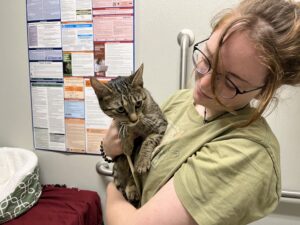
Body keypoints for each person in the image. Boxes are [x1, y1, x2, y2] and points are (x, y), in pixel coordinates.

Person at [102, 0, 300, 224]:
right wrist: (108, 148)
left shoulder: (246, 154)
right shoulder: (181, 100)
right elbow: (131, 150)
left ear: (263, 92)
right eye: (206, 58)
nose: (204, 84)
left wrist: (112, 190)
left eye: (230, 82)